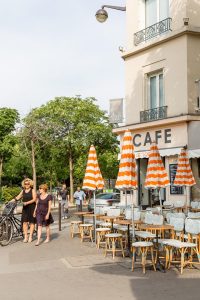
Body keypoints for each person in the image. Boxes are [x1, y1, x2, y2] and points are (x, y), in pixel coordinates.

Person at [12, 178, 36, 243]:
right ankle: (26, 236)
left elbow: (34, 199)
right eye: (25, 184)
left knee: (31, 222)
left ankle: (30, 236)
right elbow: (17, 197)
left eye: (28, 184)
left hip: (32, 207)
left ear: (30, 184)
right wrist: (11, 201)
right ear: (24, 184)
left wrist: (27, 202)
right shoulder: (23, 191)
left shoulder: (32, 190)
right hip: (25, 208)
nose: (27, 185)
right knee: (24, 222)